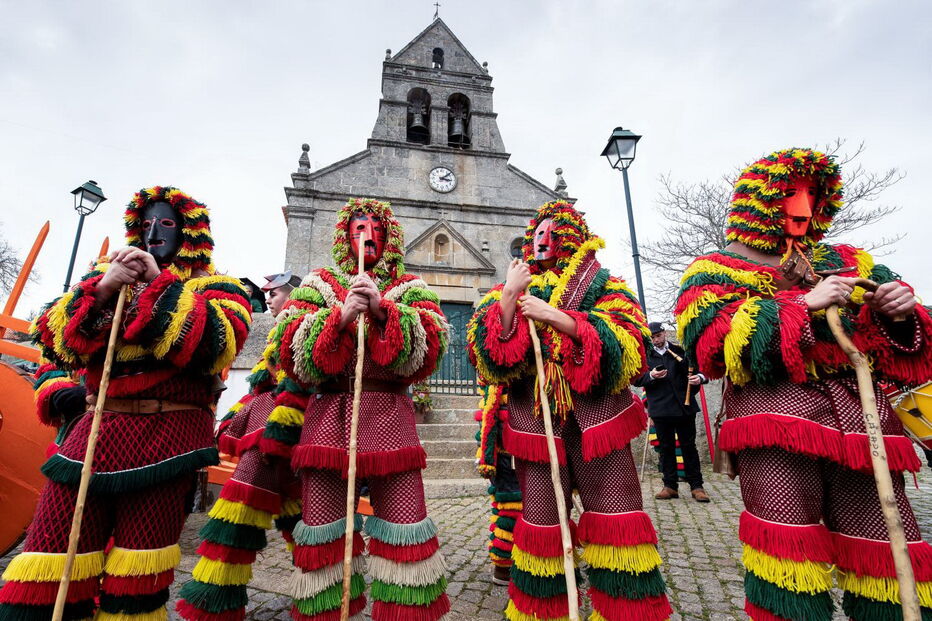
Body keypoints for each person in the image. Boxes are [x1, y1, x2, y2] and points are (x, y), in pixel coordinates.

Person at [675, 148, 932, 621]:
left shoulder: (848, 258)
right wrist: (802, 306)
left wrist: (900, 310)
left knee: (883, 549)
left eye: (813, 194)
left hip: (862, 426)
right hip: (776, 426)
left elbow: (906, 343)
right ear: (758, 200)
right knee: (788, 553)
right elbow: (713, 346)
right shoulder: (713, 269)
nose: (802, 208)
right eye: (790, 194)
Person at [0, 186, 251, 621]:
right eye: (147, 224)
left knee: (136, 576)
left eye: (168, 224)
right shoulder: (102, 276)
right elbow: (53, 343)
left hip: (167, 443)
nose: (154, 232)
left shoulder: (221, 287)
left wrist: (158, 282)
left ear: (190, 232)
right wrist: (101, 291)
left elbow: (216, 344)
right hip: (91, 438)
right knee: (47, 560)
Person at [468, 201, 672, 621]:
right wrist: (509, 294)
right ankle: (547, 610)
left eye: (552, 231)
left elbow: (631, 340)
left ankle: (625, 610)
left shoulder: (604, 284)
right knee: (542, 523)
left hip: (599, 423)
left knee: (617, 518)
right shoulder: (510, 287)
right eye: (537, 232)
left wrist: (557, 318)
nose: (543, 239)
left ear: (572, 235)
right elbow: (486, 356)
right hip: (535, 425)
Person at [264, 198, 450, 621]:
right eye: (358, 226)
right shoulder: (318, 283)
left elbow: (430, 351)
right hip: (329, 417)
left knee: (405, 529)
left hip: (390, 418)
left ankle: (405, 612)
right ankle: (327, 612)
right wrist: (341, 317)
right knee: (324, 530)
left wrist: (385, 311)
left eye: (376, 227)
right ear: (344, 235)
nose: (367, 234)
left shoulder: (412, 286)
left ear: (391, 236)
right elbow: (289, 352)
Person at [176, 274, 306, 620]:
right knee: (298, 520)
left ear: (291, 294)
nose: (270, 299)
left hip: (278, 438)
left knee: (236, 519)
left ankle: (215, 605)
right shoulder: (281, 326)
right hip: (270, 437)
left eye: (274, 293)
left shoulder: (298, 320)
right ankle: (318, 594)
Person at [634, 321, 710, 502]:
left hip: (684, 408)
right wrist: (651, 375)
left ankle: (697, 486)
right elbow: (636, 379)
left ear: (664, 334)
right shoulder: (644, 356)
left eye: (658, 336)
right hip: (660, 409)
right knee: (666, 449)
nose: (656, 340)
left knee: (689, 447)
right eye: (652, 337)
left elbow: (703, 371)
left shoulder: (681, 351)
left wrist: (699, 378)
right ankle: (670, 486)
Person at [474, 383, 523, 586]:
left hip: (515, 437)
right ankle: (505, 564)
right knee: (509, 503)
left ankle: (511, 561)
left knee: (512, 502)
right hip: (506, 442)